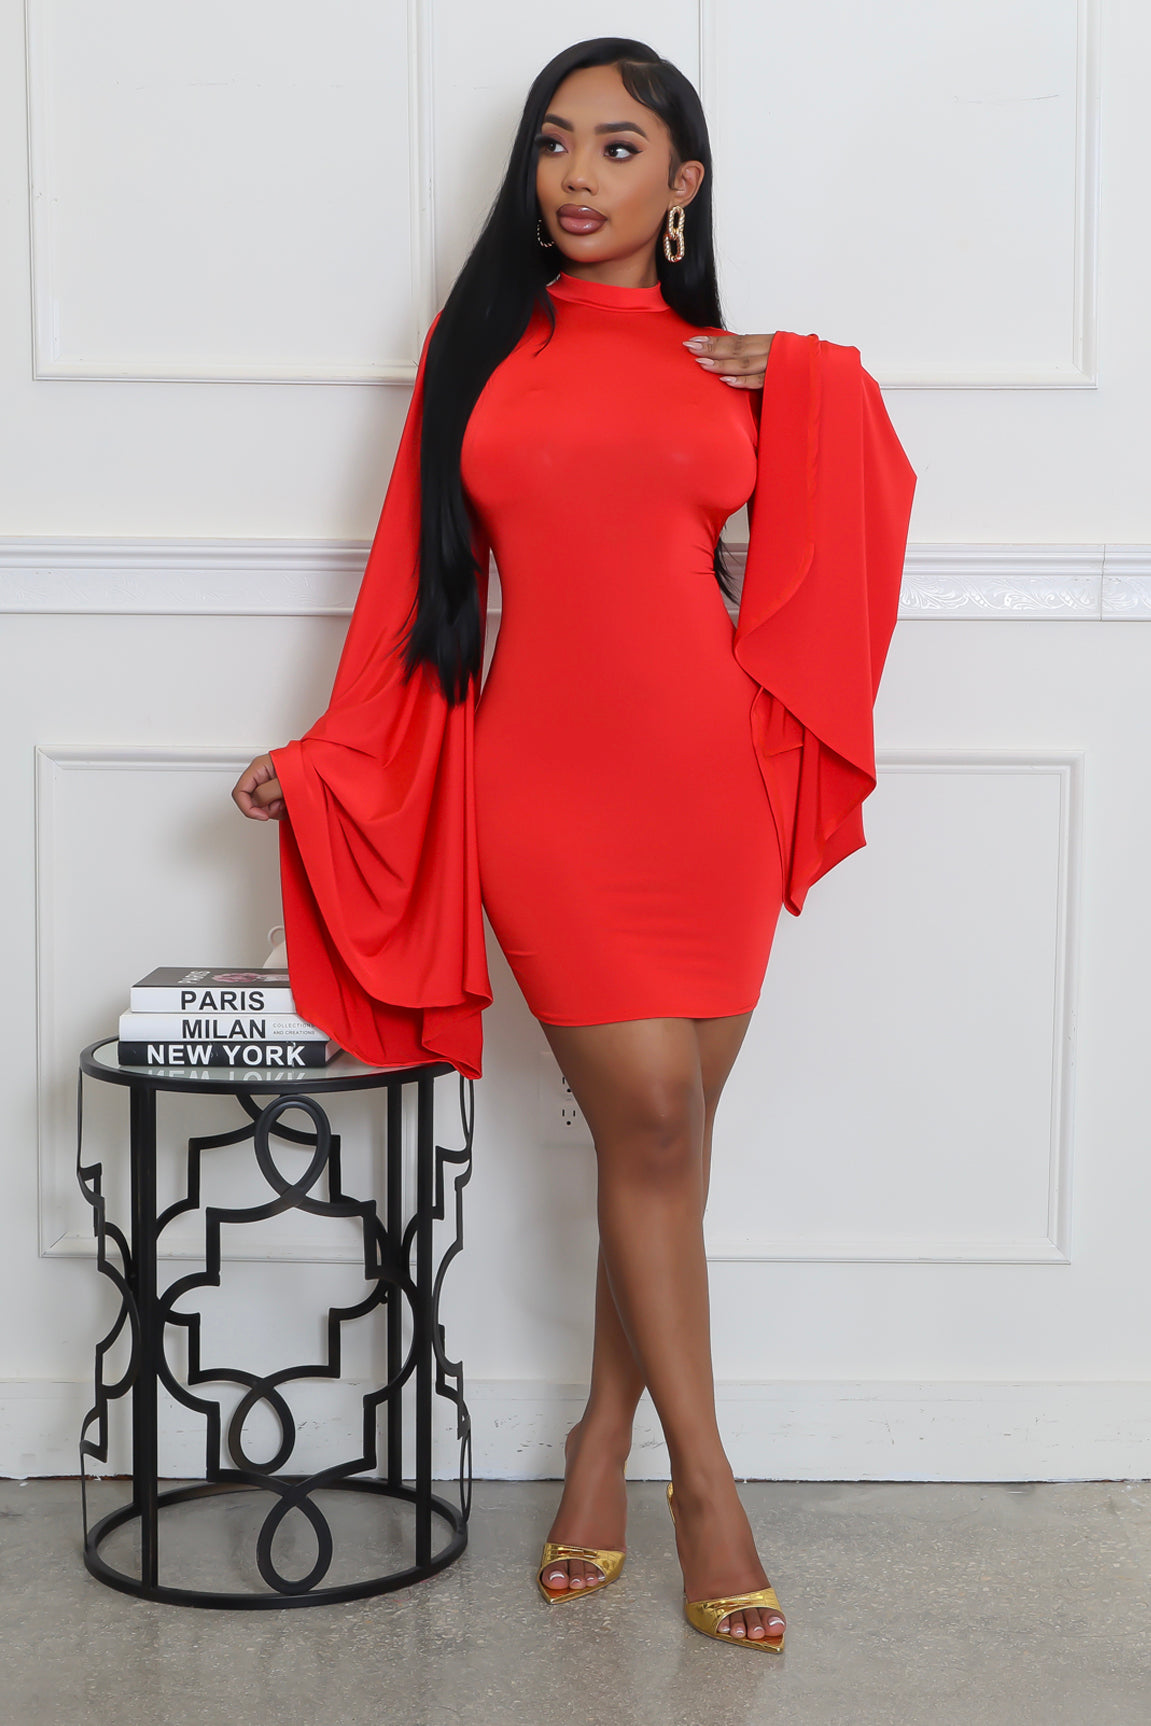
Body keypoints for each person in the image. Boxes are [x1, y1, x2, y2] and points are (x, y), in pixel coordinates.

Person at [232, 37, 915, 1651]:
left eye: (618, 146)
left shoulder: (735, 367)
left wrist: (804, 376)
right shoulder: (481, 345)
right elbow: (410, 577)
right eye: (556, 142)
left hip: (714, 788)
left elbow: (853, 526)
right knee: (657, 1120)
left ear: (683, 183)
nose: (577, 174)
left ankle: (600, 1440)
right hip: (544, 786)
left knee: (655, 1146)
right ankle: (709, 1491)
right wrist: (332, 752)